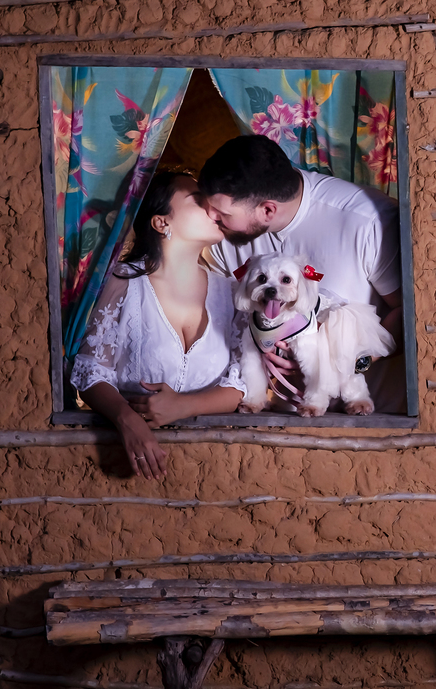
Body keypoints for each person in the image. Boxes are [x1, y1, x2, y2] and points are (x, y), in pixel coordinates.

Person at [197, 135, 404, 411]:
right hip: (266, 421)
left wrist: (342, 364)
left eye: (221, 212)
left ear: (268, 209)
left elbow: (410, 313)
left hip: (366, 421)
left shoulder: (367, 222)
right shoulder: (220, 234)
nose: (211, 216)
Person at [70, 172, 245, 480]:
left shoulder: (230, 293)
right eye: (198, 199)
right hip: (125, 467)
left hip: (214, 469)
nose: (213, 207)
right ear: (162, 222)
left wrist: (183, 406)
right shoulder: (125, 282)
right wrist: (126, 420)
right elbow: (90, 372)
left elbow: (240, 385)